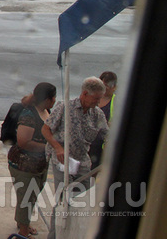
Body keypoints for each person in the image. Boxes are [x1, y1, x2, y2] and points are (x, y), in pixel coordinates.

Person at [42, 77, 109, 239]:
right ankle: (54, 236)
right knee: (62, 203)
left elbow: (108, 135)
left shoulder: (97, 114)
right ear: (85, 94)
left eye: (100, 99)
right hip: (62, 161)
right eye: (96, 98)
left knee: (82, 203)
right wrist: (58, 147)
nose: (98, 102)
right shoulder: (65, 108)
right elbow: (46, 130)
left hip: (82, 162)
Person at [8, 82, 57, 238]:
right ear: (47, 99)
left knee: (31, 196)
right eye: (53, 97)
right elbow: (23, 141)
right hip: (24, 165)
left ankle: (23, 223)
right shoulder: (29, 114)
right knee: (26, 198)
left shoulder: (45, 110)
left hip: (39, 165)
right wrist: (48, 147)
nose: (55, 100)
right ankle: (23, 231)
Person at [89, 71, 117, 170]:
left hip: (102, 144)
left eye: (108, 86)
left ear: (114, 87)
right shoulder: (90, 98)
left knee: (95, 171)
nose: (105, 88)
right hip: (87, 141)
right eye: (102, 85)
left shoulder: (116, 102)